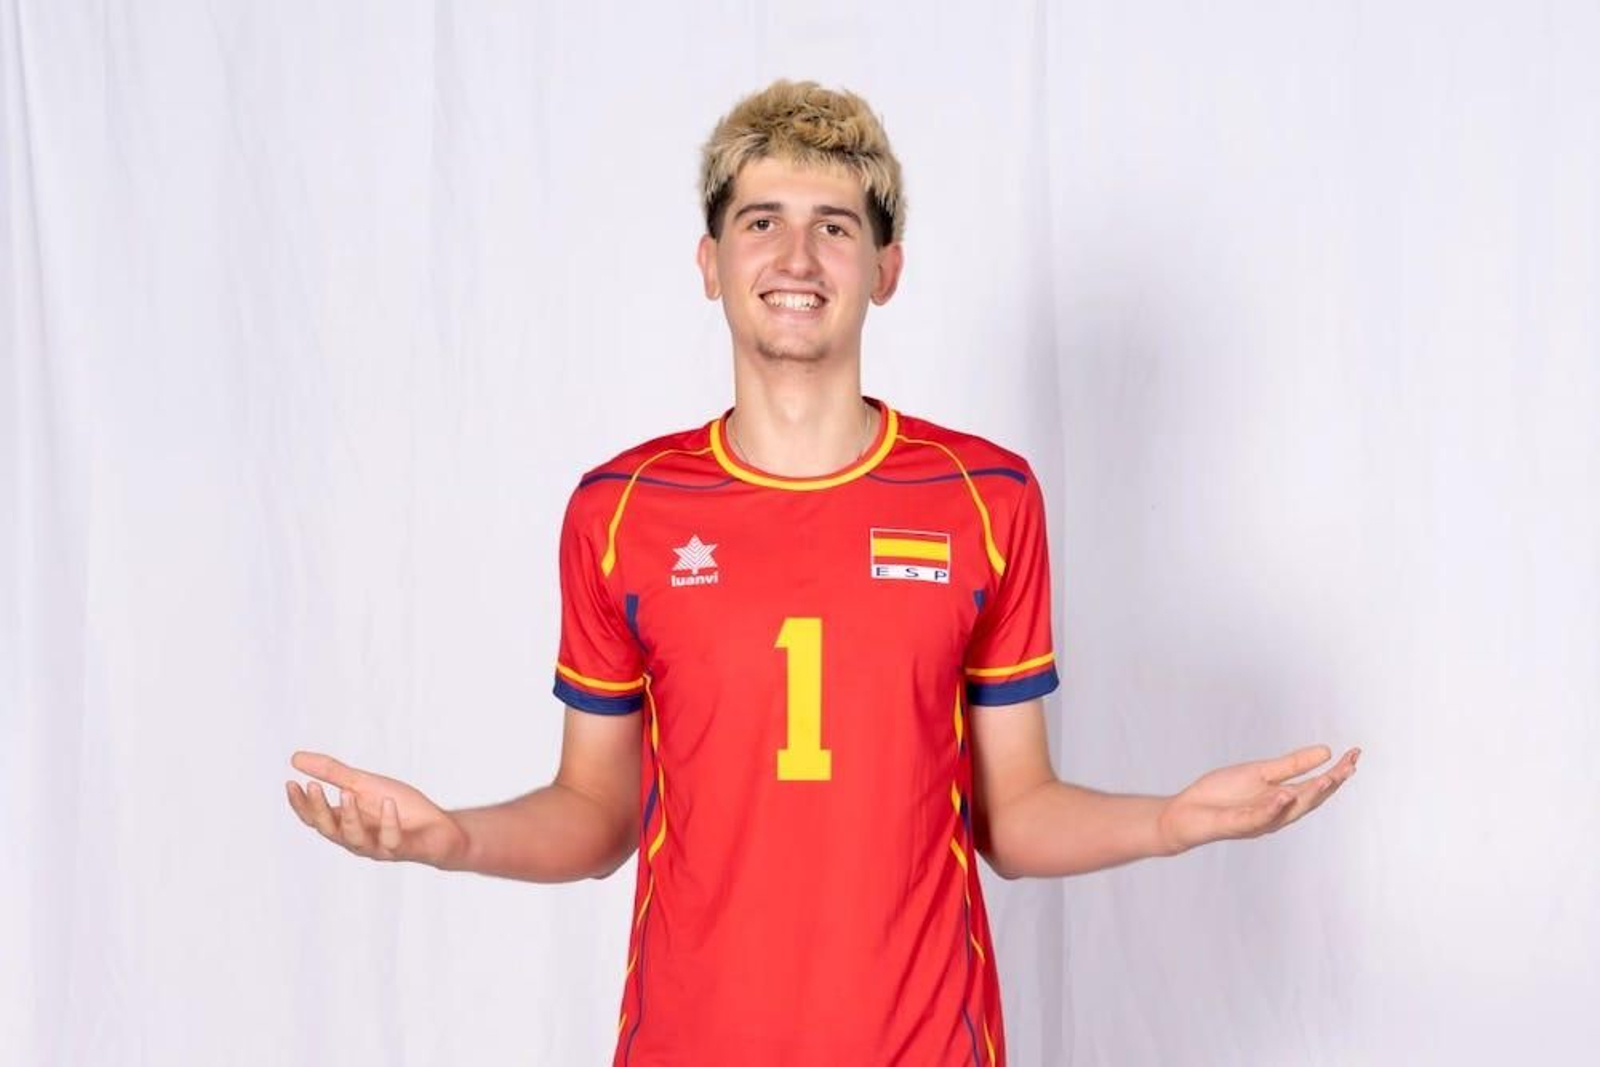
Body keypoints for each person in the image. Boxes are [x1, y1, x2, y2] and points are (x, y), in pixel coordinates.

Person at [285, 79, 1359, 1066]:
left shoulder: (985, 497)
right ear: (709, 263)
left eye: (834, 226)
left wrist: (1172, 820)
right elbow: (596, 810)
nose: (796, 258)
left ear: (886, 269)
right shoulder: (621, 510)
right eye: (762, 221)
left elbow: (1013, 811)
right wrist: (454, 836)